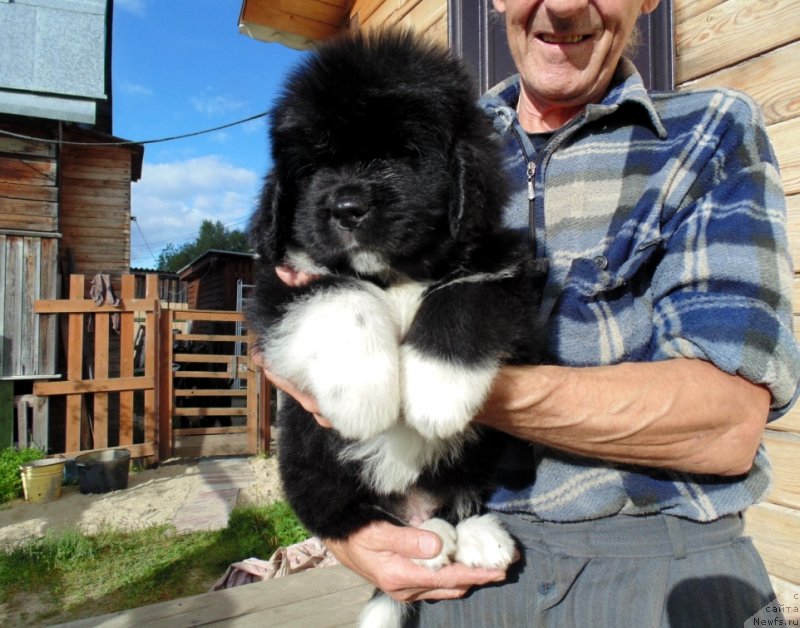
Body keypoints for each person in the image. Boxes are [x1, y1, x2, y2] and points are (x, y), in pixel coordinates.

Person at [257, 0, 800, 624]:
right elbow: (287, 317)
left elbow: (728, 426)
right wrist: (348, 535)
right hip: (458, 569)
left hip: (661, 560)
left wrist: (461, 380)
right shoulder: (449, 115)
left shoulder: (708, 133)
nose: (563, 5)